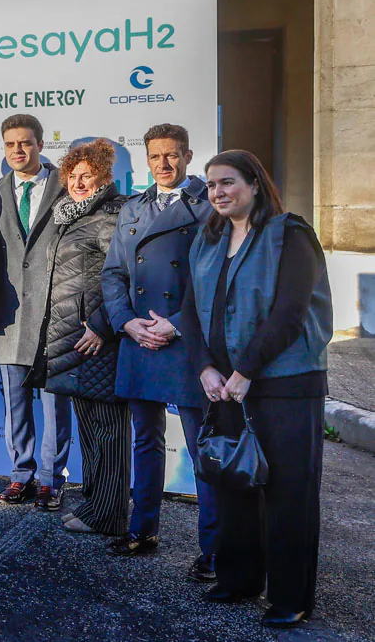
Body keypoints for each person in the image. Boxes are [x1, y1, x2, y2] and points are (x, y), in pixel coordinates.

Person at [183, 150, 331, 630]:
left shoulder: (290, 234)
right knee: (234, 482)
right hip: (225, 385)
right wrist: (205, 367)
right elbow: (189, 311)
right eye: (211, 185)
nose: (218, 192)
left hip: (285, 383)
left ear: (254, 184)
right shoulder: (208, 241)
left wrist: (245, 370)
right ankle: (239, 578)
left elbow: (290, 312)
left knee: (289, 491)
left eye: (228, 182)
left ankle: (291, 596)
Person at [100, 124, 218, 578]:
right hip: (138, 338)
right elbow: (113, 273)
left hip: (186, 341)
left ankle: (213, 548)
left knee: (200, 446)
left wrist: (176, 324)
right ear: (146, 160)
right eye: (155, 157)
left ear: (187, 156)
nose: (163, 165)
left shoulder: (208, 208)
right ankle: (142, 529)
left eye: (172, 156)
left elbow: (211, 280)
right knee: (145, 441)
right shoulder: (133, 207)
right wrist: (126, 321)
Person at [39, 138, 129, 537]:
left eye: (86, 175)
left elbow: (123, 277)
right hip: (75, 340)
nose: (77, 182)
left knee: (108, 431)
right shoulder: (71, 215)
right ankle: (95, 504)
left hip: (99, 340)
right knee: (90, 429)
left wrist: (101, 325)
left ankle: (109, 514)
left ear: (104, 178)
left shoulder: (112, 214)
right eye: (72, 175)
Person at [0, 114, 73, 511]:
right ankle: (20, 475)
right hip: (10, 315)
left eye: (25, 143)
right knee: (16, 402)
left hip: (56, 313)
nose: (17, 151)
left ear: (41, 144)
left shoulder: (67, 187)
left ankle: (50, 479)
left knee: (55, 403)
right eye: (10, 145)